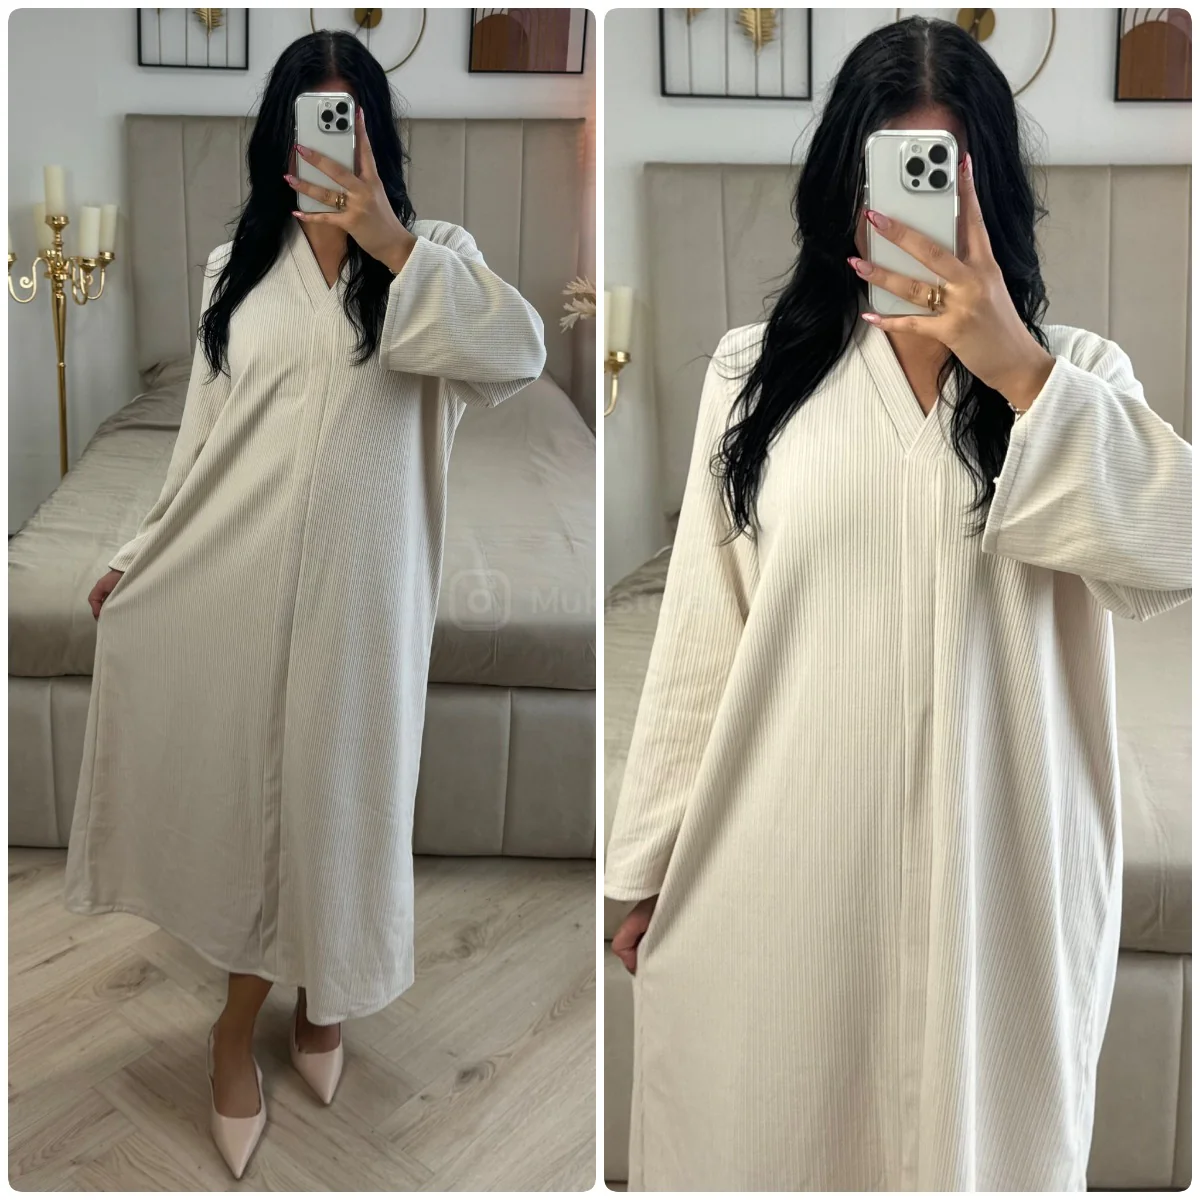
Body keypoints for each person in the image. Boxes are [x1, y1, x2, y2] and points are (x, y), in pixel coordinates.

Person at [604, 16, 1191, 1192]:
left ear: (992, 194)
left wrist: (1017, 365)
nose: (921, 216)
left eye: (948, 181)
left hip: (1000, 882)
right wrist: (645, 862)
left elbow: (1174, 546)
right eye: (896, 176)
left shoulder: (1078, 379)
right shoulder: (751, 376)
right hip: (781, 867)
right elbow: (702, 637)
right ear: (847, 187)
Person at [65, 30, 545, 1179]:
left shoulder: (436, 258)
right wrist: (141, 550)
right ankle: (234, 1029)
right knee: (254, 806)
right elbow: (202, 440)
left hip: (366, 598)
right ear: (280, 139)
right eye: (311, 122)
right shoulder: (235, 268)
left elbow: (522, 353)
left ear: (375, 136)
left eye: (348, 121)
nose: (330, 143)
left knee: (346, 805)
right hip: (239, 573)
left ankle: (327, 997)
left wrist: (386, 239)